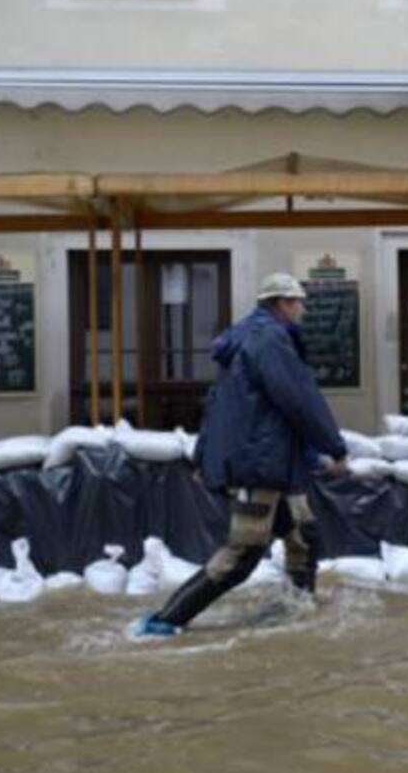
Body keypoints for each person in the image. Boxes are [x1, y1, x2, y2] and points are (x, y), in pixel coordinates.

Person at [136, 273, 349, 637]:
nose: (303, 309)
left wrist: (203, 455)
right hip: (261, 463)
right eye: (298, 302)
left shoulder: (247, 339)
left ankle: (297, 607)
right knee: (243, 553)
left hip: (277, 463)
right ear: (281, 303)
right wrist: (335, 447)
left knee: (303, 536)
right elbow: (299, 399)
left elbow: (218, 402)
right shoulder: (269, 340)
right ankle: (167, 619)